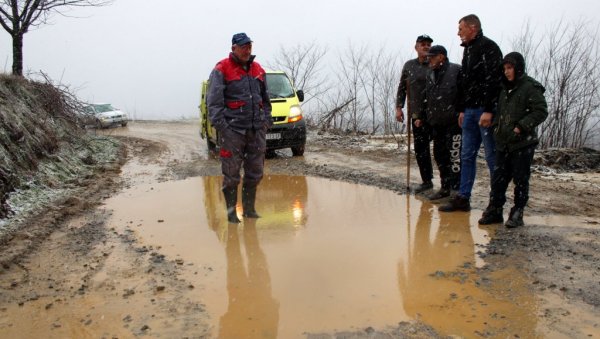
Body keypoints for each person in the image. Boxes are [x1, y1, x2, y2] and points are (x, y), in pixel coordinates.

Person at [206, 32, 273, 224]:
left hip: (256, 130)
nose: (247, 50)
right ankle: (231, 214)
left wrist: (265, 122)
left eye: (249, 46)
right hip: (233, 132)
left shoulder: (258, 69)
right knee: (231, 174)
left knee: (255, 172)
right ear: (234, 48)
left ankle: (249, 210)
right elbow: (214, 104)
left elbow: (265, 100)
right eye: (243, 46)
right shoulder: (222, 69)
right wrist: (224, 129)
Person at [440, 14, 503, 212]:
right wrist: (461, 109)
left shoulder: (489, 48)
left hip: (483, 112)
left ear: (472, 27)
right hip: (468, 111)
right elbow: (464, 83)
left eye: (461, 28)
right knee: (466, 155)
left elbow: (493, 81)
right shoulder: (467, 51)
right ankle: (463, 198)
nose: (458, 33)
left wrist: (488, 109)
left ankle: (496, 202)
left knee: (492, 158)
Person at [478, 52, 548, 227]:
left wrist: (521, 126)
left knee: (520, 178)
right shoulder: (503, 88)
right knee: (498, 178)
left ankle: (517, 212)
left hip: (523, 142)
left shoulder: (530, 87)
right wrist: (496, 127)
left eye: (510, 68)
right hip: (503, 141)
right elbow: (500, 112)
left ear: (518, 68)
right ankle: (495, 210)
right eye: (504, 68)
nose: (507, 72)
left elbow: (540, 111)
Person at [422, 45, 462, 200]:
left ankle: (456, 191)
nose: (428, 60)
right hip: (437, 123)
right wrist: (425, 117)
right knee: (439, 155)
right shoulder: (430, 74)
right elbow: (428, 98)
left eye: (431, 57)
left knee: (455, 157)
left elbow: (464, 94)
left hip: (454, 122)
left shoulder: (456, 71)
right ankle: (445, 187)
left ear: (441, 57)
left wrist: (461, 112)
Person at [396, 34, 435, 193]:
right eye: (423, 44)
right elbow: (402, 87)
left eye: (428, 44)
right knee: (421, 149)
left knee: (441, 150)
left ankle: (450, 185)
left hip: (435, 114)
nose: (426, 47)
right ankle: (427, 181)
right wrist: (399, 107)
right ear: (416, 47)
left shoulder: (435, 64)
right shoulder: (409, 66)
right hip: (416, 114)